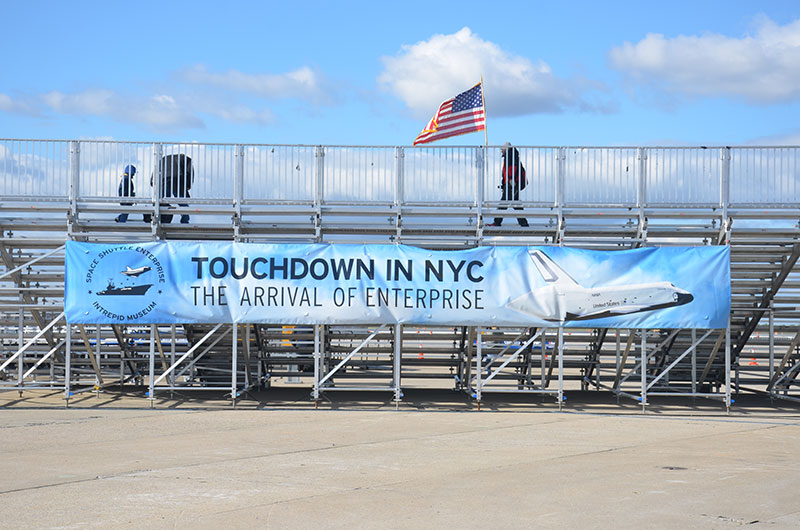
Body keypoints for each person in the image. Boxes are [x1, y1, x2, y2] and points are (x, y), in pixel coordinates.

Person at [487, 142, 528, 227]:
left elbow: (511, 169)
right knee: (516, 204)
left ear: (506, 149)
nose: (501, 151)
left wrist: (509, 180)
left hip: (511, 184)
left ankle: (497, 222)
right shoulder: (513, 155)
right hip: (513, 183)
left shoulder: (510, 155)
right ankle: (523, 223)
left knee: (503, 203)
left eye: (502, 149)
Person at [148, 154, 194, 224]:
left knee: (162, 201)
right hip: (177, 180)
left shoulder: (163, 159)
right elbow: (190, 172)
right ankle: (185, 221)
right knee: (183, 202)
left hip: (164, 180)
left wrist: (152, 181)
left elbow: (156, 168)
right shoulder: (186, 159)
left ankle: (160, 220)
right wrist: (188, 185)